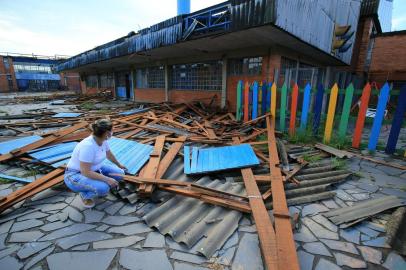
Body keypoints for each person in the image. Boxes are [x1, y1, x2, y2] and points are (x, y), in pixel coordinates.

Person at [64, 119, 127, 208]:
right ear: (106, 133)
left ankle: (95, 182)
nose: (113, 132)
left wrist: (119, 165)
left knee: (120, 174)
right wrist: (107, 179)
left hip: (95, 168)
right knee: (104, 188)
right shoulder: (88, 146)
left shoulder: (103, 140)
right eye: (112, 130)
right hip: (75, 175)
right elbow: (85, 172)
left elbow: (109, 154)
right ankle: (85, 194)